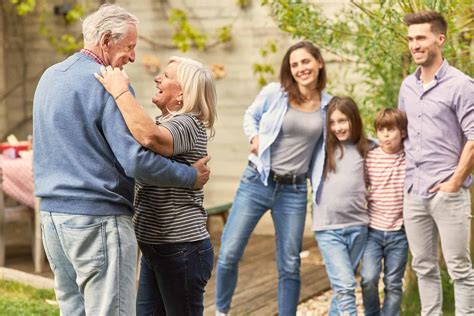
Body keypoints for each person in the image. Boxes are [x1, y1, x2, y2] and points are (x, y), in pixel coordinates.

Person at [33, 4, 209, 316]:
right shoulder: (108, 82)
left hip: (51, 219)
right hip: (97, 220)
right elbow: (136, 161)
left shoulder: (50, 76)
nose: (133, 57)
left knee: (73, 309)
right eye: (129, 47)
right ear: (105, 40)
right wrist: (189, 177)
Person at [215, 41, 332, 316]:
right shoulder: (275, 93)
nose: (301, 68)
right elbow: (250, 116)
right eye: (295, 64)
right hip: (257, 181)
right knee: (230, 252)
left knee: (290, 263)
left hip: (293, 191)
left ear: (319, 63)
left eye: (306, 62)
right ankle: (221, 311)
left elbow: (340, 140)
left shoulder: (328, 106)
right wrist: (254, 137)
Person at [95, 56, 217, 315]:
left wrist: (119, 90)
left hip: (181, 247)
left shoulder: (187, 123)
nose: (157, 78)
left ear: (183, 94)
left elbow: (150, 137)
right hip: (158, 246)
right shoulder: (165, 121)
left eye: (167, 75)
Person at [398, 11, 474, 315]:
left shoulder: (462, 85)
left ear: (439, 39)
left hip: (448, 194)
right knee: (423, 267)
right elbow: (402, 135)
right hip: (413, 193)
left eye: (421, 38)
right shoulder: (407, 86)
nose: (414, 45)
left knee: (460, 269)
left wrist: (454, 183)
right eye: (411, 39)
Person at [313, 96, 370, 316]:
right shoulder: (320, 151)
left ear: (354, 120)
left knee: (340, 288)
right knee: (346, 285)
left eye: (343, 121)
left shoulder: (369, 148)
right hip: (328, 228)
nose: (337, 127)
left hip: (358, 226)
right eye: (332, 122)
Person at [360, 108, 408, 316]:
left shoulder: (409, 159)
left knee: (393, 283)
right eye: (381, 130)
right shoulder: (370, 158)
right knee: (368, 279)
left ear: (403, 133)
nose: (386, 135)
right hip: (373, 231)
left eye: (391, 130)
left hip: (399, 232)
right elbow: (360, 186)